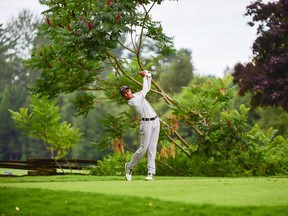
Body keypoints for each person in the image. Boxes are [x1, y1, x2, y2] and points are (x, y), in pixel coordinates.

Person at [119, 70, 160, 181]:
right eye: (125, 93)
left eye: (128, 90)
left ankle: (151, 173)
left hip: (156, 121)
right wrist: (144, 77)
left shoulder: (136, 94)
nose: (128, 93)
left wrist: (149, 75)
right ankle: (129, 167)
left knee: (152, 148)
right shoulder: (132, 102)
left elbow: (147, 88)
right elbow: (145, 90)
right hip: (145, 123)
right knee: (143, 148)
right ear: (124, 97)